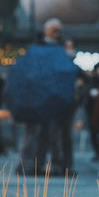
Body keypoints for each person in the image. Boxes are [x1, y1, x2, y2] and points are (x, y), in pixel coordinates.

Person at [10, 19, 78, 175]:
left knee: (53, 134)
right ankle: (31, 164)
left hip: (55, 98)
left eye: (59, 30)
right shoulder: (40, 48)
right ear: (47, 31)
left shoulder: (58, 49)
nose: (58, 34)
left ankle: (51, 165)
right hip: (40, 96)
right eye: (55, 30)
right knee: (37, 133)